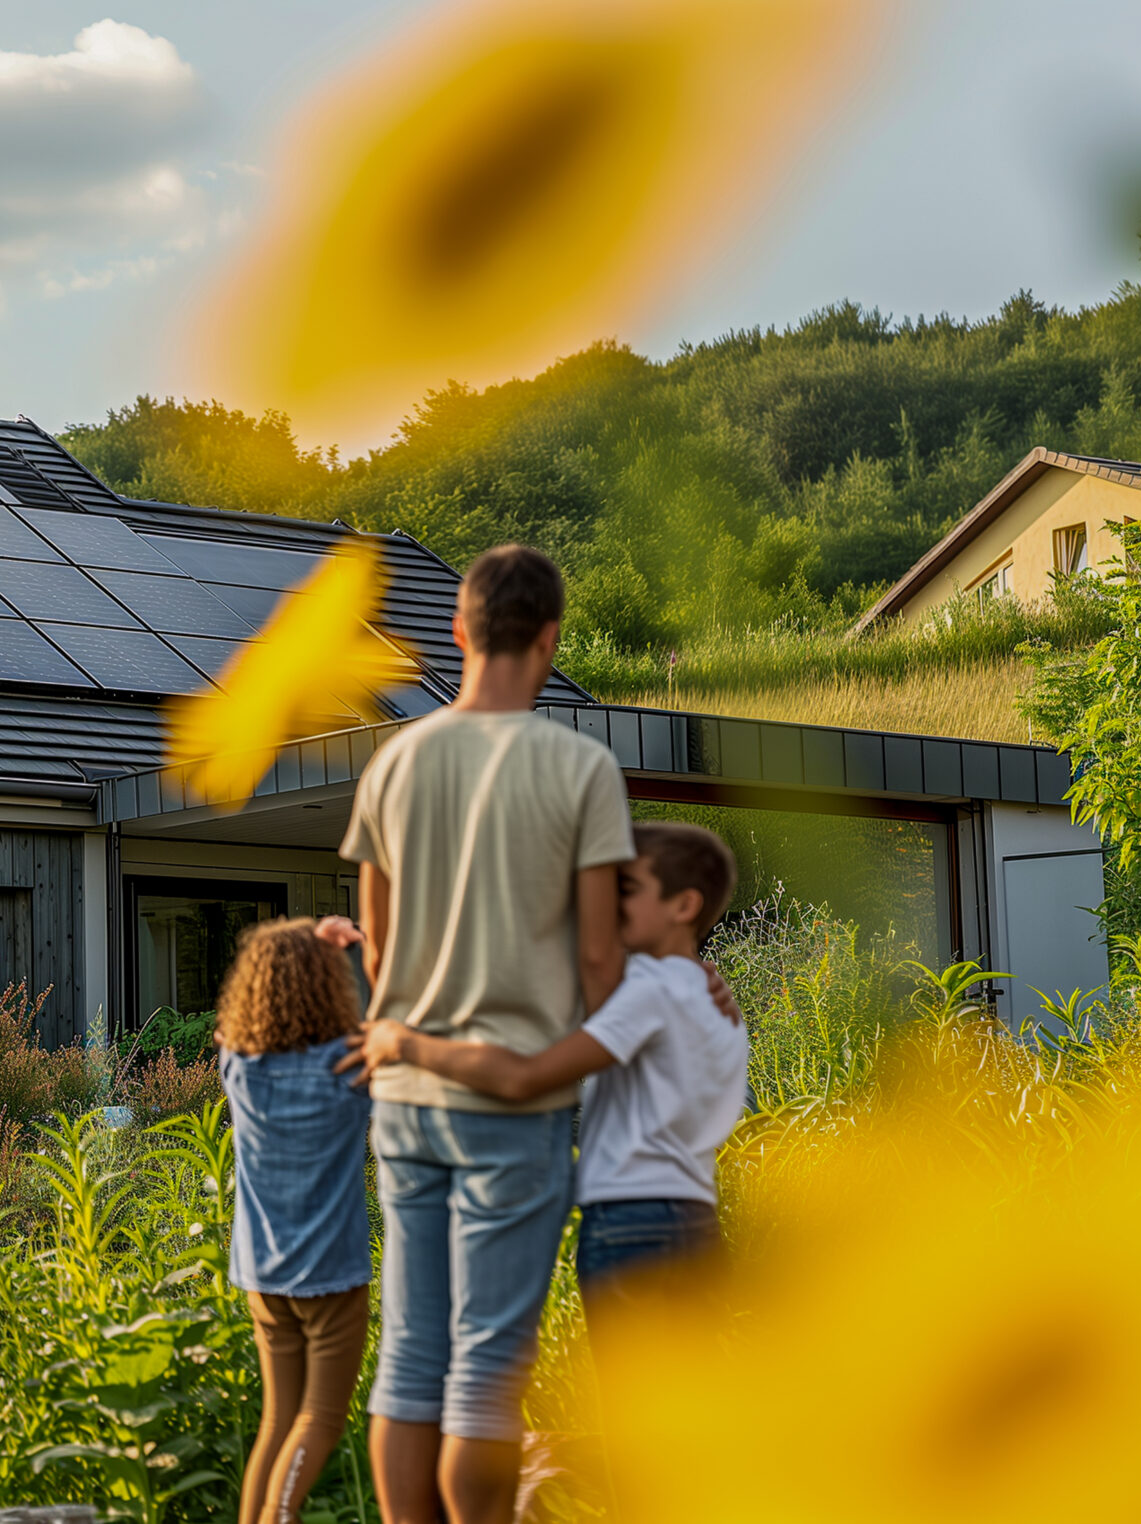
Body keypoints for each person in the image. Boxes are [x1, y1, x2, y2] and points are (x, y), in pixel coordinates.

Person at [316, 544, 634, 1524]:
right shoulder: (580, 766)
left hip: (406, 1094)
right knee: (490, 1364)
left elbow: (374, 943)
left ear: (458, 632)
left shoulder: (395, 761)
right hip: (516, 1101)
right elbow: (596, 964)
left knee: (412, 1354)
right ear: (549, 640)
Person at [355, 821, 748, 1312]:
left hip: (636, 1228)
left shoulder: (652, 989)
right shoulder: (710, 999)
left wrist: (404, 1044)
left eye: (627, 890)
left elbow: (523, 1076)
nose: (608, 905)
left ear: (684, 906)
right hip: (695, 1222)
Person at [214, 917, 375, 1524]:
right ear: (327, 984)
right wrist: (330, 942)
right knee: (321, 1421)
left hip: (261, 1273)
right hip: (331, 1274)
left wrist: (298, 938)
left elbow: (228, 1029)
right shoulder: (349, 1065)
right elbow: (387, 1030)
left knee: (278, 1420)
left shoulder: (240, 1066)